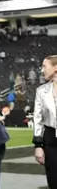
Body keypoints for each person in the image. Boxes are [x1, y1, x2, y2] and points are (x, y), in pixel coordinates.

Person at [33, 55, 57, 187]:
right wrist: (38, 146)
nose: (42, 70)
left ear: (55, 68)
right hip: (51, 139)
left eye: (44, 66)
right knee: (53, 180)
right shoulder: (41, 91)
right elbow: (38, 119)